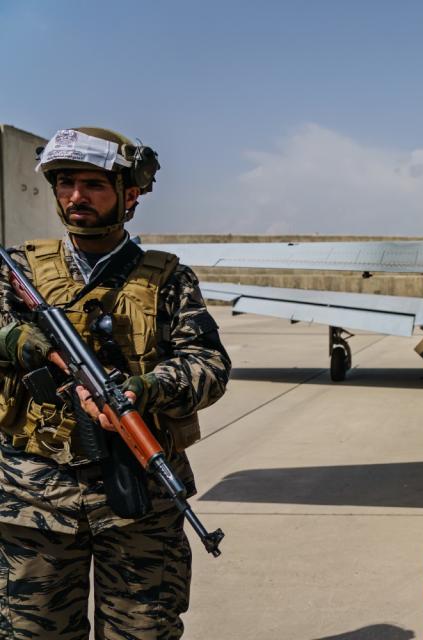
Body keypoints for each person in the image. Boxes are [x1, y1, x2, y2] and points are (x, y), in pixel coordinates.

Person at [0, 127, 231, 639]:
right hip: (34, 498)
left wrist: (142, 389)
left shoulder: (169, 279)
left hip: (140, 498)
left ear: (130, 195)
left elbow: (209, 365)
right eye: (65, 183)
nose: (75, 196)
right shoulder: (17, 270)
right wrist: (30, 346)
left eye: (92, 184)